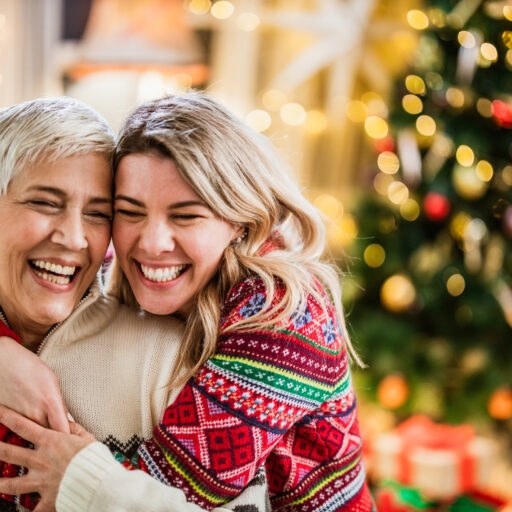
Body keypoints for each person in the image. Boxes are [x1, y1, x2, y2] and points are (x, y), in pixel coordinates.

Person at [0, 93, 374, 512]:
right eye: (129, 211)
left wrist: (75, 474)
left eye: (185, 215)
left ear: (238, 220)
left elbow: (169, 493)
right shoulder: (135, 266)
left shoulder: (285, 318)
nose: (152, 242)